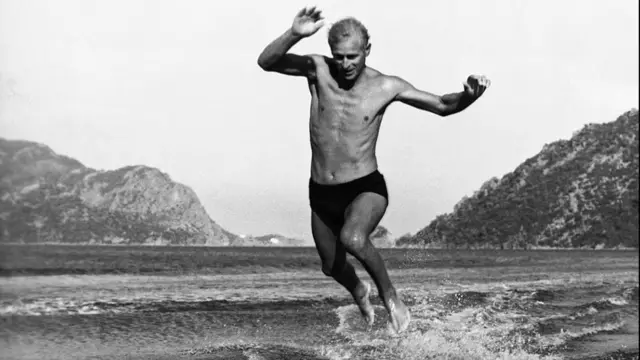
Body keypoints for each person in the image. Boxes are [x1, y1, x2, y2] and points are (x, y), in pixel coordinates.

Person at [257, 6, 490, 334]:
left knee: (353, 237)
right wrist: (294, 33)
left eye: (353, 56)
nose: (346, 64)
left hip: (365, 187)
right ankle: (358, 289)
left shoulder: (386, 86)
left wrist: (468, 96)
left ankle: (390, 297)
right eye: (339, 56)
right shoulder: (317, 70)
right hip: (321, 190)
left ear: (367, 50)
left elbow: (441, 105)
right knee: (330, 266)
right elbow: (266, 62)